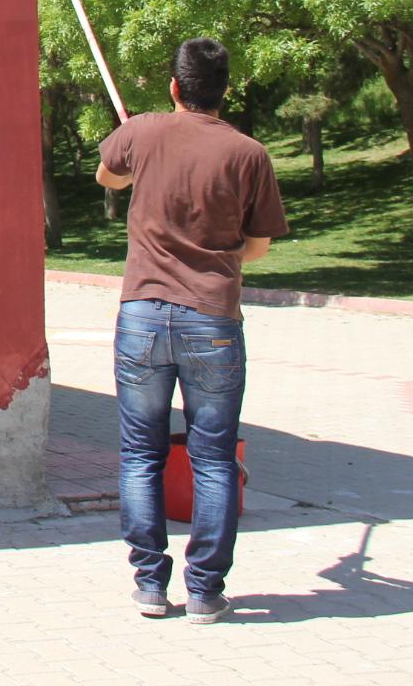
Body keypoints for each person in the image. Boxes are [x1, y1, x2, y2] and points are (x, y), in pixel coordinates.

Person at [95, 37, 288, 625]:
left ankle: (151, 584)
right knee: (213, 458)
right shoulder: (249, 153)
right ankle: (205, 590)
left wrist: (134, 145)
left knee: (139, 453)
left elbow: (108, 176)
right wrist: (216, 260)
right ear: (224, 90)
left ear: (175, 86)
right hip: (213, 318)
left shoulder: (143, 132)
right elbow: (257, 246)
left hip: (144, 315)